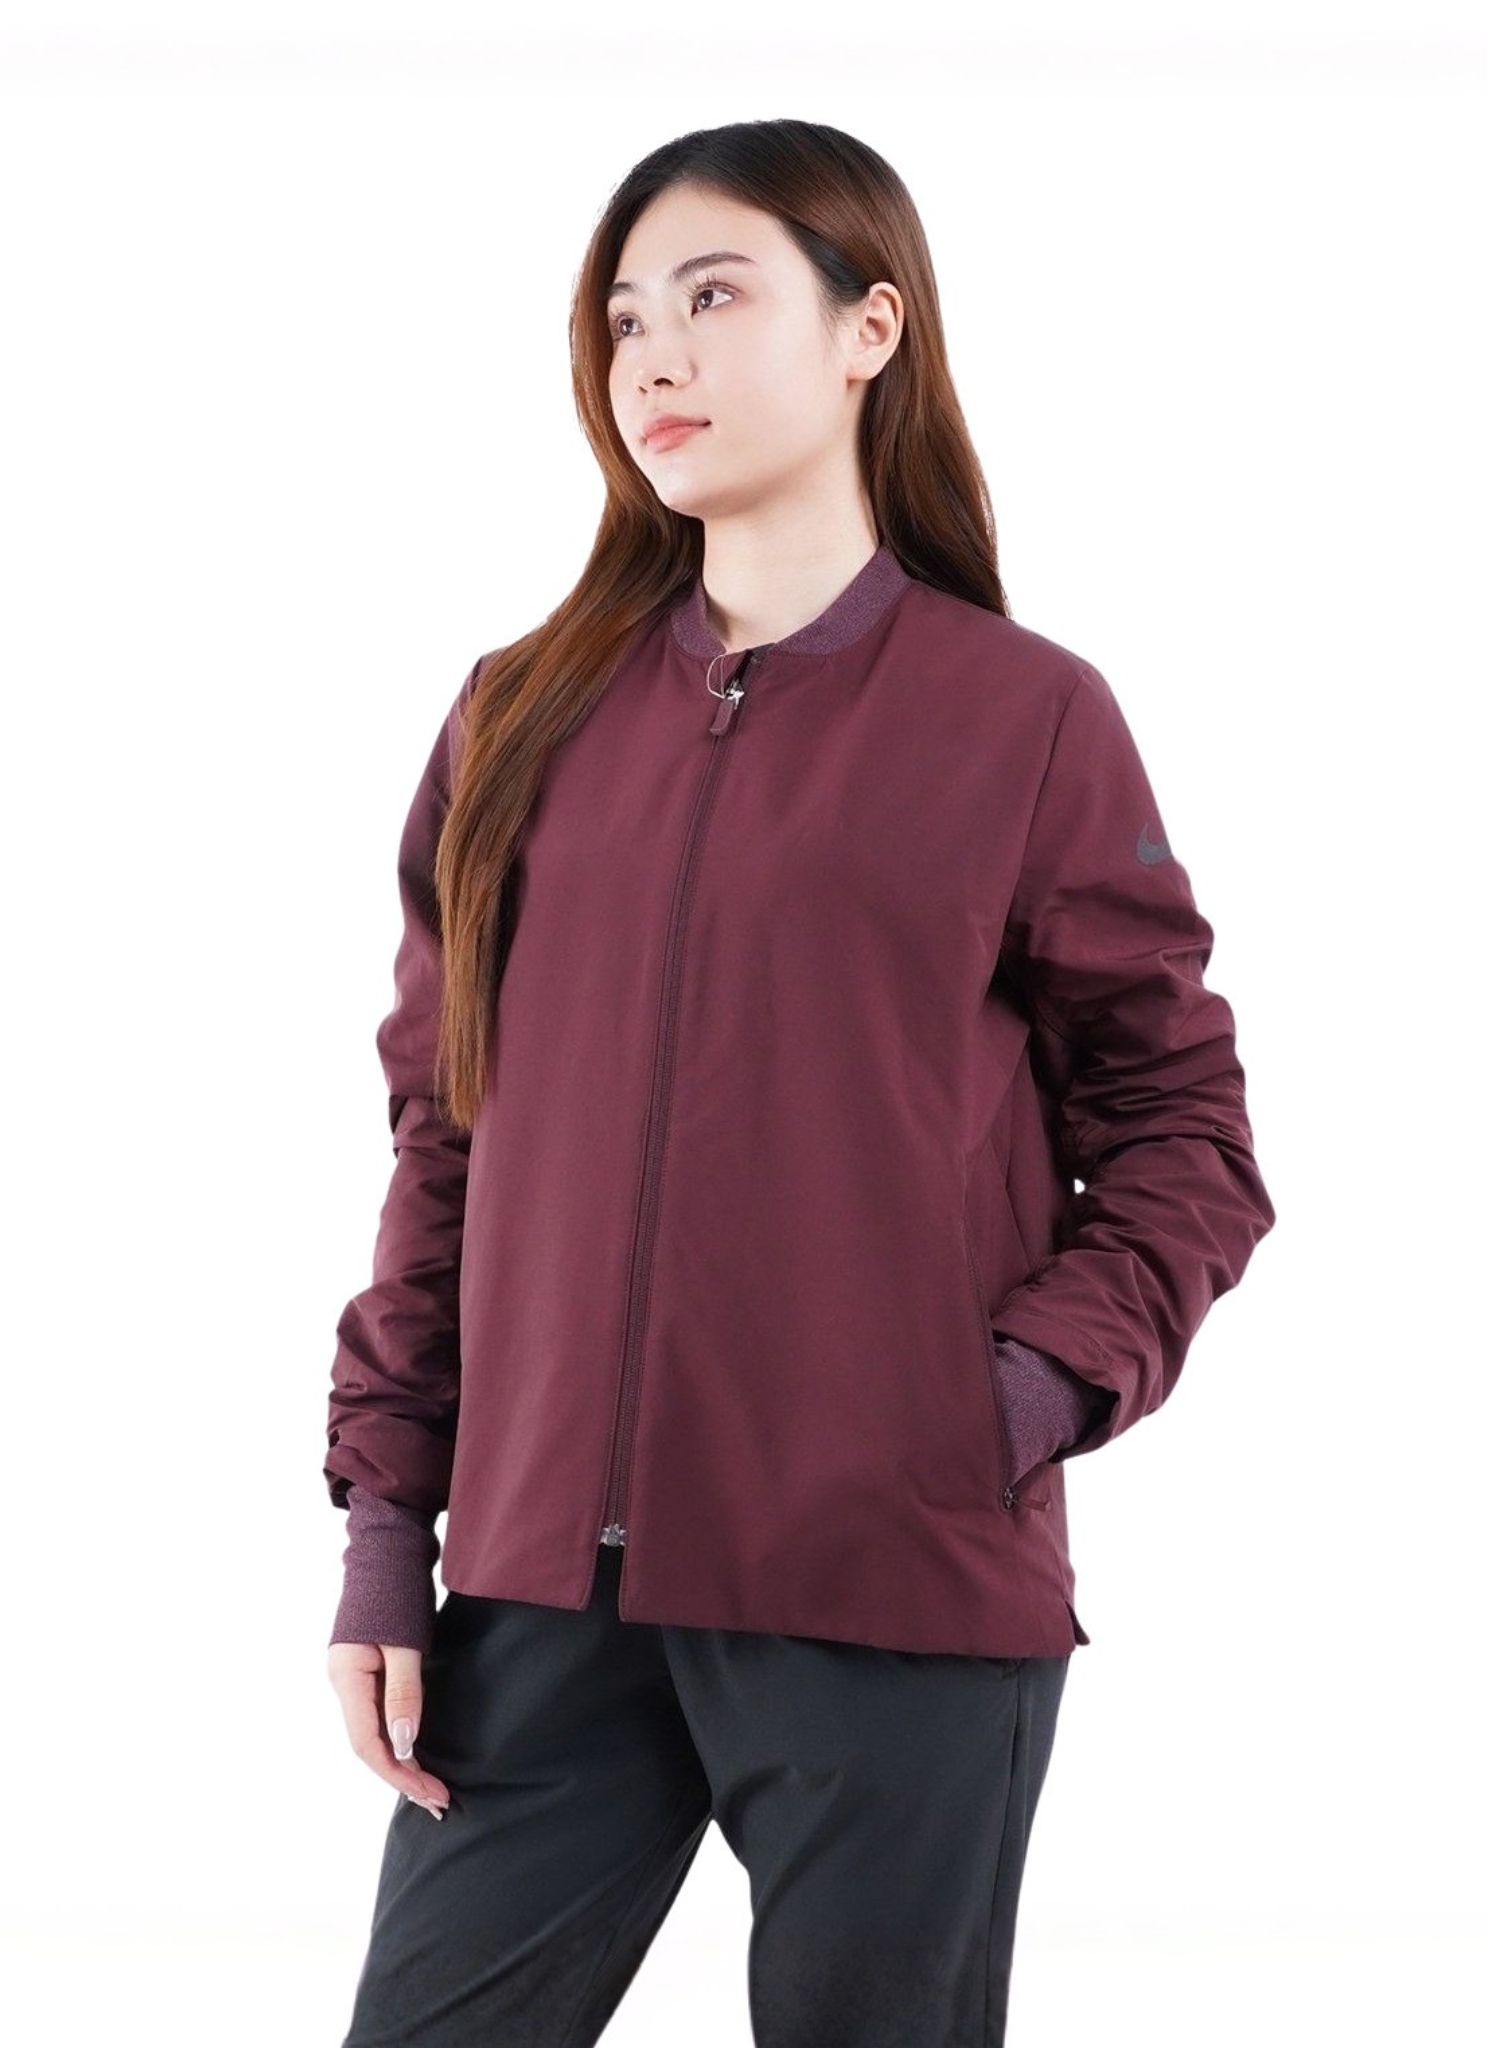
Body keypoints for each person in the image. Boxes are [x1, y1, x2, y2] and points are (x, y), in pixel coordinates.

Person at [323, 117, 1276, 2048]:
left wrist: (998, 1401)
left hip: (892, 1580)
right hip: (538, 1595)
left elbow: (1185, 1132)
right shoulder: (519, 717)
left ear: (871, 329)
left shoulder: (1022, 718)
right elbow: (447, 1143)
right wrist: (384, 1538)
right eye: (622, 319)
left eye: (713, 296)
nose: (652, 357)